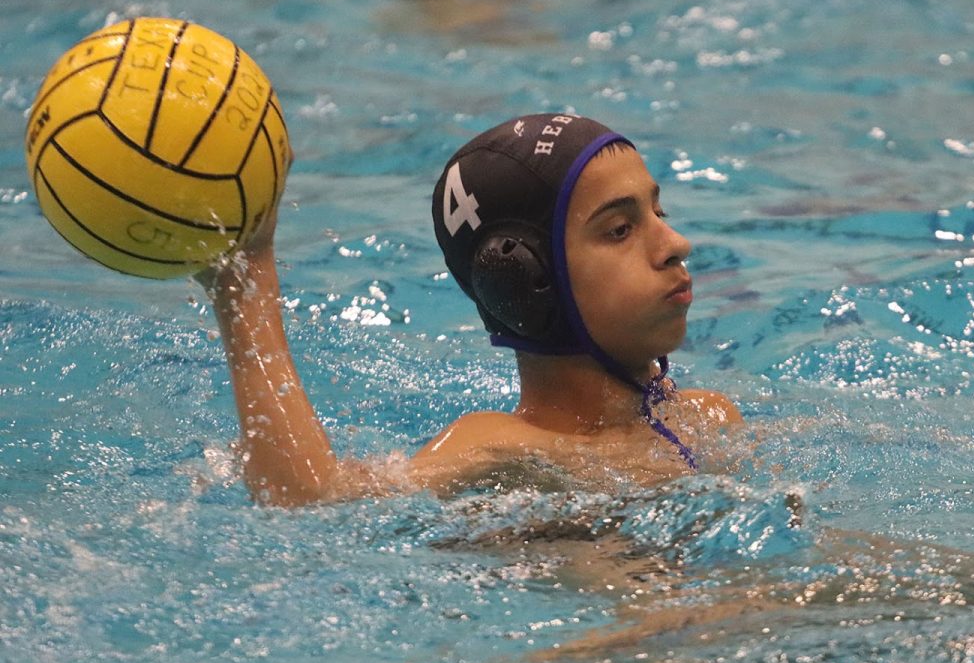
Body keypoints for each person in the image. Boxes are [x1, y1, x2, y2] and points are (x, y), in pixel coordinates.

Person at [200, 113, 742, 506]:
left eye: (659, 210)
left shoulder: (708, 418)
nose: (675, 243)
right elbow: (309, 498)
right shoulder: (498, 447)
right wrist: (243, 282)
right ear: (525, 278)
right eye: (620, 230)